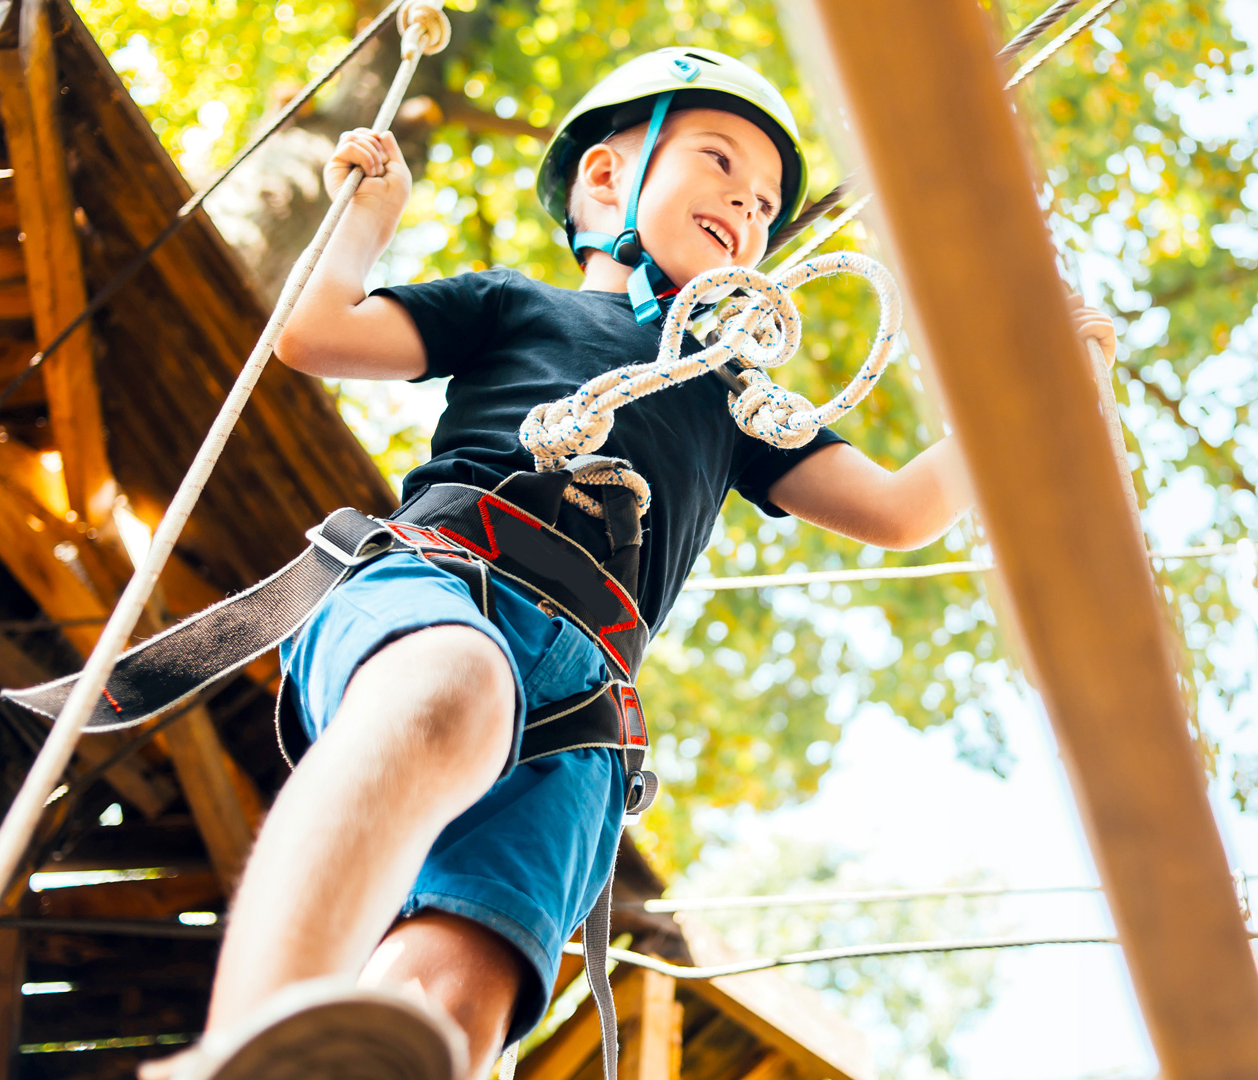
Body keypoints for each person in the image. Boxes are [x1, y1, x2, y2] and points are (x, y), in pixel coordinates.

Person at [149, 46, 1118, 1080]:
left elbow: (900, 509)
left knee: (465, 985)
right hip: (444, 589)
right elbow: (315, 331)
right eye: (720, 164)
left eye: (764, 204)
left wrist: (1049, 397)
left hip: (585, 715)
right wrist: (367, 221)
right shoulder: (517, 308)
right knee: (448, 694)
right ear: (608, 178)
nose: (747, 206)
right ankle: (251, 1038)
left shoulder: (736, 399)